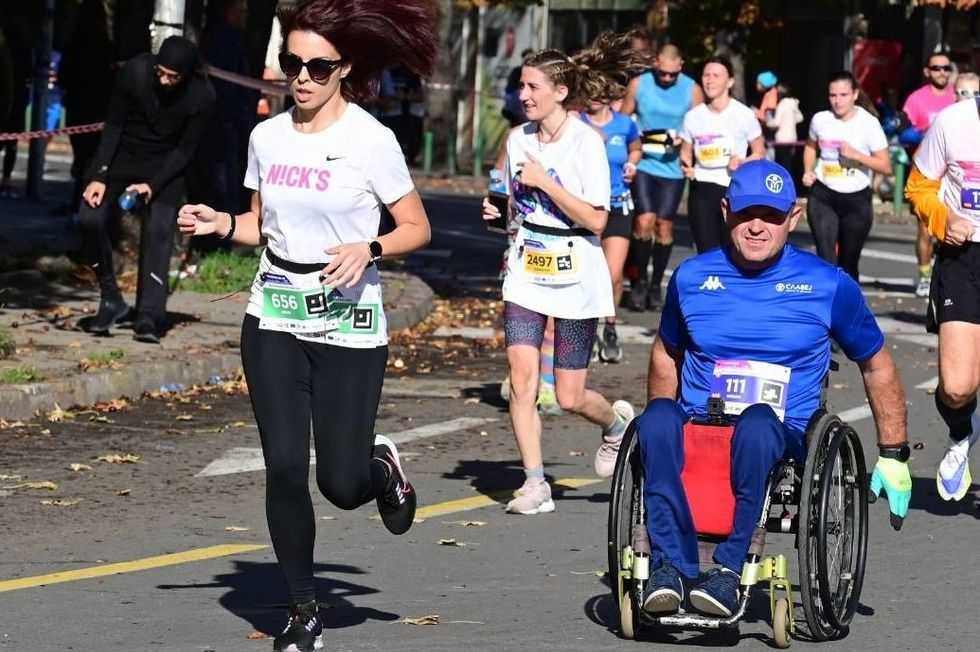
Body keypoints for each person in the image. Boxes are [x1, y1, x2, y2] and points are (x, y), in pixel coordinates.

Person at [176, 1, 437, 650]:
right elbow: (260, 224)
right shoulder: (267, 137)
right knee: (286, 469)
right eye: (292, 63)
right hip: (275, 316)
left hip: (350, 322)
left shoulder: (370, 141)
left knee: (340, 485)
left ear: (344, 68)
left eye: (318, 67)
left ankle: (379, 468)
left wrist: (370, 248)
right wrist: (221, 224)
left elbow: (416, 227)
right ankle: (303, 611)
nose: (302, 77)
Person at [636, 159, 911, 618]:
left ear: (793, 217)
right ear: (726, 211)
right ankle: (668, 566)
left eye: (771, 216)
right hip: (701, 422)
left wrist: (894, 453)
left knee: (758, 422)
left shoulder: (828, 285)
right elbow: (667, 351)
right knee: (657, 419)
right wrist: (660, 422)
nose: (757, 226)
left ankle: (730, 570)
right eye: (747, 213)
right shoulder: (691, 277)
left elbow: (876, 363)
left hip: (779, 433)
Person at [481, 47, 636, 515]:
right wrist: (497, 213)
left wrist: (546, 182)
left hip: (575, 273)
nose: (524, 95)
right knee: (522, 379)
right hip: (526, 270)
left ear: (561, 92)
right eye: (521, 86)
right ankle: (535, 483)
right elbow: (512, 204)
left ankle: (615, 426)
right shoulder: (517, 139)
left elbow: (597, 219)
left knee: (569, 395)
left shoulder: (586, 143)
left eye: (533, 87)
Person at [76, 36, 216, 343]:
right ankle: (111, 298)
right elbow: (114, 124)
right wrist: (99, 174)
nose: (164, 81)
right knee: (89, 218)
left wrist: (153, 186)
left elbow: (186, 151)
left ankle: (149, 315)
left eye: (173, 77)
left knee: (159, 229)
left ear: (187, 75)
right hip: (123, 156)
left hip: (166, 165)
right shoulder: (135, 72)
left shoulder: (203, 96)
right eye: (160, 73)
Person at [904, 97, 980, 504]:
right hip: (963, 256)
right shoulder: (953, 122)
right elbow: (918, 187)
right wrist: (943, 218)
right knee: (956, 388)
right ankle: (962, 432)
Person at [575, 31, 646, 363]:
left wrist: (632, 163)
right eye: (588, 94)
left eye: (598, 94)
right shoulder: (575, 123)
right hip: (585, 208)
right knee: (586, 274)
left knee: (612, 274)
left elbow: (636, 148)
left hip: (618, 205)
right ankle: (586, 330)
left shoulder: (624, 125)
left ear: (608, 95)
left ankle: (610, 326)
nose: (592, 100)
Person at [620, 44, 703, 311]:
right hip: (643, 163)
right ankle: (640, 282)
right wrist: (633, 136)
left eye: (672, 75)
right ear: (655, 63)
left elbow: (700, 124)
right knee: (644, 221)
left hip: (673, 168)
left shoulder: (692, 89)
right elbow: (623, 118)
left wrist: (685, 140)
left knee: (664, 225)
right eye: (662, 73)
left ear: (681, 66)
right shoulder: (639, 83)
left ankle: (656, 285)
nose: (667, 78)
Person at [802, 71, 891, 282]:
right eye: (833, 95)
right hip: (823, 194)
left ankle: (847, 300)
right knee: (826, 258)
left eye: (843, 95)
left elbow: (886, 166)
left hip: (856, 198)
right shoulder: (821, 119)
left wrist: (856, 155)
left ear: (855, 94)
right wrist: (808, 170)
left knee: (849, 263)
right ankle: (826, 301)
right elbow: (810, 146)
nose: (837, 101)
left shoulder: (869, 123)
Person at [679, 56, 765, 253]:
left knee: (733, 251)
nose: (710, 80)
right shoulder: (693, 117)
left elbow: (760, 152)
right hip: (701, 188)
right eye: (706, 75)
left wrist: (743, 162)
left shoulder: (743, 114)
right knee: (706, 252)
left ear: (730, 81)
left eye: (716, 76)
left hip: (733, 189)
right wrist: (686, 166)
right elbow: (685, 152)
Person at [904, 52, 957, 298]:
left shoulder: (959, 96)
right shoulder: (917, 99)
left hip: (956, 174)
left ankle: (949, 276)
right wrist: (923, 133)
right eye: (937, 68)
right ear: (927, 71)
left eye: (946, 68)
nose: (942, 72)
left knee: (955, 227)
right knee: (925, 229)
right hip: (928, 172)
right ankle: (925, 276)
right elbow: (903, 132)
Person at [766, 83, 803, 182]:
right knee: (789, 163)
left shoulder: (782, 105)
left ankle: (784, 184)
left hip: (781, 139)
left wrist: (768, 122)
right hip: (792, 138)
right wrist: (790, 120)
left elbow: (776, 123)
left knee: (782, 165)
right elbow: (800, 118)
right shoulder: (792, 104)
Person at [502, 48, 534, 127]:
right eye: (526, 59)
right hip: (516, 112)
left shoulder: (537, 73)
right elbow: (509, 89)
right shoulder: (516, 72)